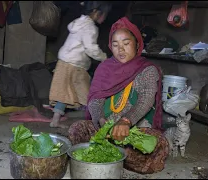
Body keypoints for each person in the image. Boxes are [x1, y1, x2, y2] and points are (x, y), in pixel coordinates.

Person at [68, 17, 169, 174]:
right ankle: (117, 156)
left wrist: (126, 121)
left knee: (160, 144)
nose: (120, 49)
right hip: (106, 129)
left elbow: (146, 99)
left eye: (126, 43)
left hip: (134, 131)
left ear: (137, 44)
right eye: (115, 45)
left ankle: (114, 155)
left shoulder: (148, 70)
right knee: (76, 129)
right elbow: (95, 101)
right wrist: (102, 121)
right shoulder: (104, 68)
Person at [49, 1, 112, 128]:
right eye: (104, 14)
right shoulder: (90, 28)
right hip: (75, 65)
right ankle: (100, 120)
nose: (104, 18)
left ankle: (55, 121)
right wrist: (104, 58)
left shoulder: (78, 22)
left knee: (63, 93)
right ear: (96, 12)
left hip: (63, 62)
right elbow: (91, 48)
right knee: (88, 94)